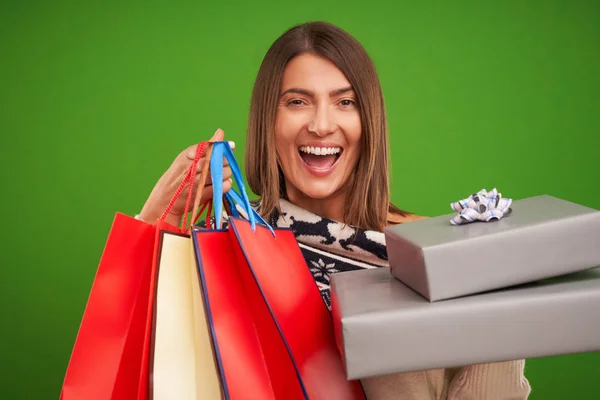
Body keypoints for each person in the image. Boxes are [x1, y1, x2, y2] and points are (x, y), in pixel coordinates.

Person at [138, 21, 531, 400]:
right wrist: (157, 220)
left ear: (369, 122)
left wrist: (495, 285)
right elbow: (145, 366)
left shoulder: (434, 253)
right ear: (268, 122)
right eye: (297, 102)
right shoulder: (227, 245)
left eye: (345, 102)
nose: (322, 125)